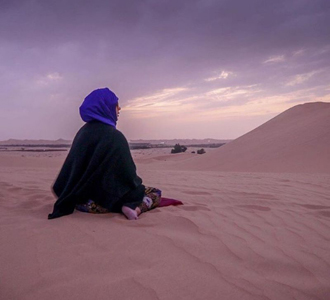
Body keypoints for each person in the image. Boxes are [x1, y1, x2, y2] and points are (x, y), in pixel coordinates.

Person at [48, 87, 161, 220]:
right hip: (106, 205)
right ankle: (134, 208)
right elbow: (129, 176)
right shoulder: (115, 137)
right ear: (106, 107)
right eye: (116, 106)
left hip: (80, 202)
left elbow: (72, 170)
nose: (119, 109)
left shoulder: (82, 133)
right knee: (154, 192)